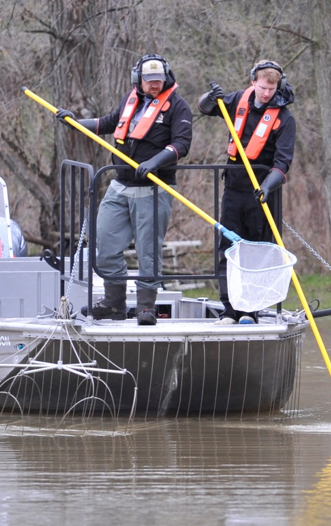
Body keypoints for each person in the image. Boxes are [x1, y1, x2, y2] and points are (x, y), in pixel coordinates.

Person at [56, 54, 193, 325]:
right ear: (138, 80)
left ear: (166, 78)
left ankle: (145, 307)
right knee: (104, 243)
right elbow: (107, 123)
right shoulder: (130, 99)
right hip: (119, 185)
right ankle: (114, 304)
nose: (154, 85)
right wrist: (75, 123)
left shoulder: (178, 107)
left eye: (158, 80)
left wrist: (154, 162)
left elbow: (182, 144)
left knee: (148, 251)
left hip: (154, 189)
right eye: (148, 80)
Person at [197, 60, 296, 324]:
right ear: (254, 82)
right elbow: (204, 108)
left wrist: (267, 187)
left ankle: (249, 311)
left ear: (279, 86)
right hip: (233, 188)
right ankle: (229, 309)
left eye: (272, 88)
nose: (267, 93)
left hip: (262, 193)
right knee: (228, 249)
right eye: (263, 87)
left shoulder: (284, 119)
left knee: (256, 251)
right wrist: (210, 98)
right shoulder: (237, 100)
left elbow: (283, 162)